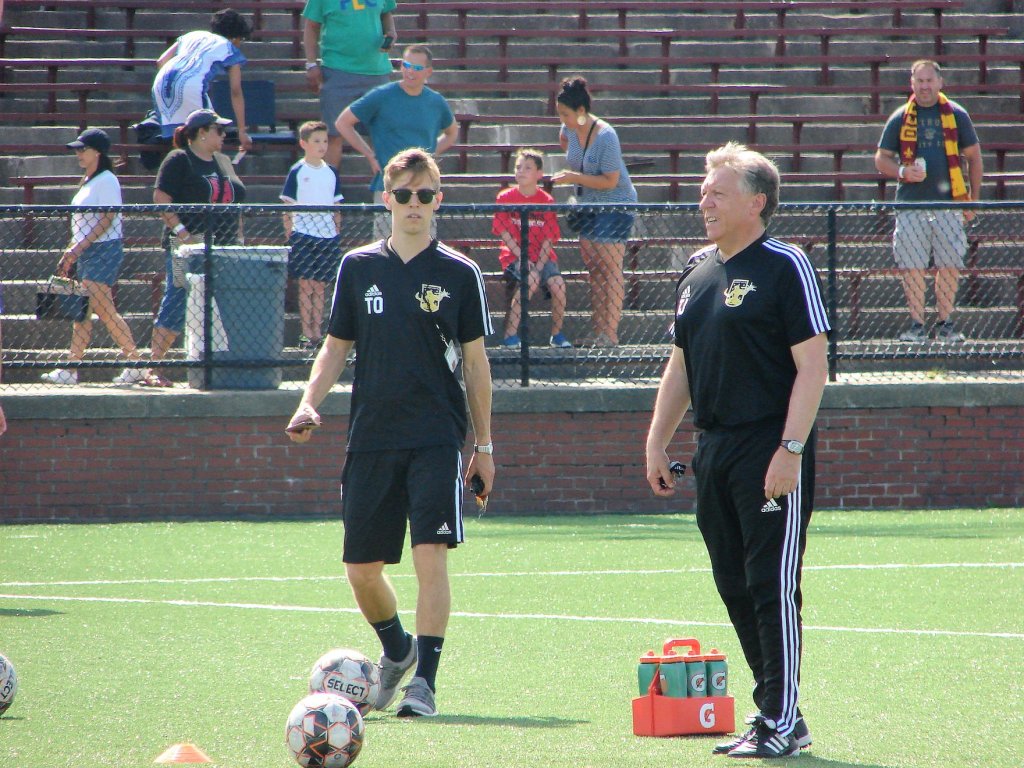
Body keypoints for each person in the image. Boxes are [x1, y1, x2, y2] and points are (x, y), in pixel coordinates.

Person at [285, 148, 494, 719]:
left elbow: (476, 365)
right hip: (372, 435)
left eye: (424, 195)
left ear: (438, 201)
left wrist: (484, 447)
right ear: (387, 199)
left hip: (436, 435)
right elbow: (335, 347)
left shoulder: (460, 273)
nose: (413, 204)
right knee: (361, 570)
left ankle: (424, 682)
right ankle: (398, 650)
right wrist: (308, 403)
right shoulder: (358, 267)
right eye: (403, 194)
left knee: (431, 557)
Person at [645, 143, 829, 758]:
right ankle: (779, 712)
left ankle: (779, 718)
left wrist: (790, 449)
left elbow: (814, 367)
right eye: (704, 190)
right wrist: (657, 441)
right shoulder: (697, 270)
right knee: (733, 581)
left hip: (768, 446)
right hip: (713, 449)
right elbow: (680, 365)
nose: (705, 200)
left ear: (757, 203)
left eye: (719, 192)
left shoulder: (785, 265)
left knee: (770, 584)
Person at [874, 59, 983, 343]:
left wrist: (973, 200)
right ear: (912, 84)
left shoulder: (957, 115)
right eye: (919, 81)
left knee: (949, 264)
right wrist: (902, 171)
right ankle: (917, 325)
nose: (924, 86)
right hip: (911, 205)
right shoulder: (901, 116)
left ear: (939, 82)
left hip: (949, 204)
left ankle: (945, 323)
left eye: (929, 80)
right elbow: (881, 158)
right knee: (912, 266)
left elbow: (974, 156)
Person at [147, 109, 247, 387]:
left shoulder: (222, 161)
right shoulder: (179, 158)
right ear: (202, 133)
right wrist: (183, 233)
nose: (224, 135)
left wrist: (239, 237)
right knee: (177, 298)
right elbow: (161, 197)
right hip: (185, 246)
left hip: (223, 245)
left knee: (225, 301)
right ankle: (153, 366)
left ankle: (225, 365)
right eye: (219, 130)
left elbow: (236, 200)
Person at [40, 129, 147, 386]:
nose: (78, 154)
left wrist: (78, 249)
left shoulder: (107, 180)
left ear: (97, 151)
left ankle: (136, 364)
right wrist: (72, 251)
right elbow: (82, 224)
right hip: (87, 250)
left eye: (83, 149)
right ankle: (72, 369)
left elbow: (107, 218)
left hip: (102, 250)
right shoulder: (89, 180)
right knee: (83, 314)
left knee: (104, 311)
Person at [335, 44, 458, 237]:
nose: (410, 71)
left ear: (428, 72)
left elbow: (452, 132)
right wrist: (369, 155)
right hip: (390, 184)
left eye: (417, 68)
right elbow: (343, 122)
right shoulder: (382, 95)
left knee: (424, 245)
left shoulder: (436, 101)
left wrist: (429, 156)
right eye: (406, 65)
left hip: (424, 188)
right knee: (385, 246)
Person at [550, 76, 637, 348]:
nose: (562, 119)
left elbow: (611, 180)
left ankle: (610, 334)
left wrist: (574, 177)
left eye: (565, 114)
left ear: (581, 111)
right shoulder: (568, 130)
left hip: (615, 204)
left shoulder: (606, 136)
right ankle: (598, 331)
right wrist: (577, 176)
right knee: (595, 268)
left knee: (610, 268)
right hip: (587, 204)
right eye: (559, 114)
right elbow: (567, 145)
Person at [302, 0, 398, 170]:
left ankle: (384, 184)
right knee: (333, 135)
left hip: (376, 70)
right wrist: (311, 63)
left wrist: (391, 32)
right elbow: (311, 26)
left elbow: (386, 14)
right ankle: (328, 184)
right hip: (337, 70)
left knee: (381, 135)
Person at [492, 148, 571, 349]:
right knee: (531, 279)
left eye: (527, 168)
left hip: (542, 256)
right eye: (518, 167)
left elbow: (549, 239)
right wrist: (523, 257)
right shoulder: (505, 197)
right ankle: (510, 336)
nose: (521, 171)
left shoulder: (546, 200)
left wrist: (540, 265)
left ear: (539, 174)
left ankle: (557, 335)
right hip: (514, 255)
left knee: (558, 285)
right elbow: (504, 233)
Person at [280, 120, 344, 351]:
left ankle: (318, 331)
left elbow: (337, 206)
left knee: (320, 286)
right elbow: (287, 205)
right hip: (303, 234)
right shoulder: (297, 170)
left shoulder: (331, 172)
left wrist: (336, 230)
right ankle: (306, 333)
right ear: (304, 143)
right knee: (306, 285)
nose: (322, 145)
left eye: (324, 141)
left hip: (327, 236)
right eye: (316, 141)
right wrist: (290, 233)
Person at [152, 8, 254, 152]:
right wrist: (242, 131)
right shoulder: (229, 48)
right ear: (235, 38)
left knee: (177, 140)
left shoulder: (192, 34)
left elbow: (161, 61)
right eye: (241, 39)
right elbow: (236, 91)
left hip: (162, 83)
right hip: (191, 86)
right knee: (209, 138)